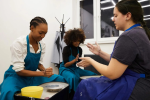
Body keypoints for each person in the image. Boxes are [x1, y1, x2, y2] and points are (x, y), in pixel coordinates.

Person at [73, 0, 150, 100]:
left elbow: (112, 73)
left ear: (128, 15)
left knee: (85, 85)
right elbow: (120, 61)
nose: (113, 19)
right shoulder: (139, 32)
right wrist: (100, 53)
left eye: (116, 15)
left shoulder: (129, 36)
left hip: (136, 85)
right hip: (143, 83)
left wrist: (91, 60)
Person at [0, 16, 66, 100]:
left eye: (45, 33)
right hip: (16, 76)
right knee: (8, 92)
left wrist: (45, 70)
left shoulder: (42, 44)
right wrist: (43, 73)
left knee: (60, 79)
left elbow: (38, 64)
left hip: (32, 76)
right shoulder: (19, 43)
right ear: (32, 28)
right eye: (40, 32)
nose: (43, 36)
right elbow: (19, 71)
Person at [59, 28, 97, 97]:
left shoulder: (79, 49)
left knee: (92, 74)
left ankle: (88, 92)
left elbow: (78, 61)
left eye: (78, 40)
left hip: (74, 68)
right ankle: (72, 95)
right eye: (75, 40)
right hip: (65, 69)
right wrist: (74, 60)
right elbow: (66, 64)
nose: (77, 42)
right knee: (72, 77)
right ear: (70, 40)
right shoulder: (66, 49)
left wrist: (83, 63)